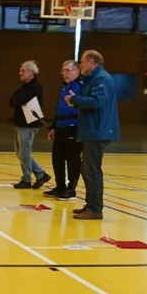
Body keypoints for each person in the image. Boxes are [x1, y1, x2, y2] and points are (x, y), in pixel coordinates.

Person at [65, 49, 120, 220]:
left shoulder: (102, 79)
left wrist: (75, 100)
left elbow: (96, 102)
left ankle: (95, 209)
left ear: (91, 62)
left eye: (82, 62)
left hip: (98, 130)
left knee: (92, 170)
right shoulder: (93, 79)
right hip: (92, 130)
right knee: (88, 169)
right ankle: (91, 205)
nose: (80, 65)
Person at [44, 59, 83, 200]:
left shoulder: (80, 86)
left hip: (73, 127)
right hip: (60, 126)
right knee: (57, 158)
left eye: (67, 70)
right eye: (63, 70)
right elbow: (59, 108)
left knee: (72, 159)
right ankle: (60, 186)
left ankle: (71, 189)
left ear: (77, 71)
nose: (64, 73)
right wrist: (54, 126)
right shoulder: (64, 87)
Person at [8, 60, 51, 190]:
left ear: (31, 72)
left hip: (28, 124)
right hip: (20, 123)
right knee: (20, 153)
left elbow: (18, 99)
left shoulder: (35, 87)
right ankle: (40, 174)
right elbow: (12, 100)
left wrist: (16, 99)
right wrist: (16, 99)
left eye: (23, 70)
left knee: (24, 153)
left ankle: (26, 179)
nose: (20, 73)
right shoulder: (26, 86)